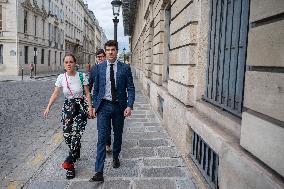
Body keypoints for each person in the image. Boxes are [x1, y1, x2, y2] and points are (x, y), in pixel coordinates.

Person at [89, 40, 135, 182]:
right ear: (105, 51)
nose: (110, 52)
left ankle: (115, 156)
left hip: (119, 107)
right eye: (108, 50)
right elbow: (95, 89)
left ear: (117, 51)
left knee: (118, 135)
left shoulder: (125, 68)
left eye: (112, 50)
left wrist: (129, 105)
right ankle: (99, 171)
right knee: (102, 138)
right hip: (103, 107)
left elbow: (131, 88)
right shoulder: (98, 68)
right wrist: (94, 106)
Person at [43, 53, 93, 180]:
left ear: (75, 63)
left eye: (71, 62)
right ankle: (76, 150)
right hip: (67, 108)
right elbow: (55, 93)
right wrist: (48, 107)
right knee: (67, 135)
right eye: (66, 62)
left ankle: (69, 163)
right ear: (64, 64)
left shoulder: (82, 76)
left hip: (80, 108)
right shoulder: (61, 77)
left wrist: (90, 108)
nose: (69, 64)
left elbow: (87, 93)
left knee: (76, 134)